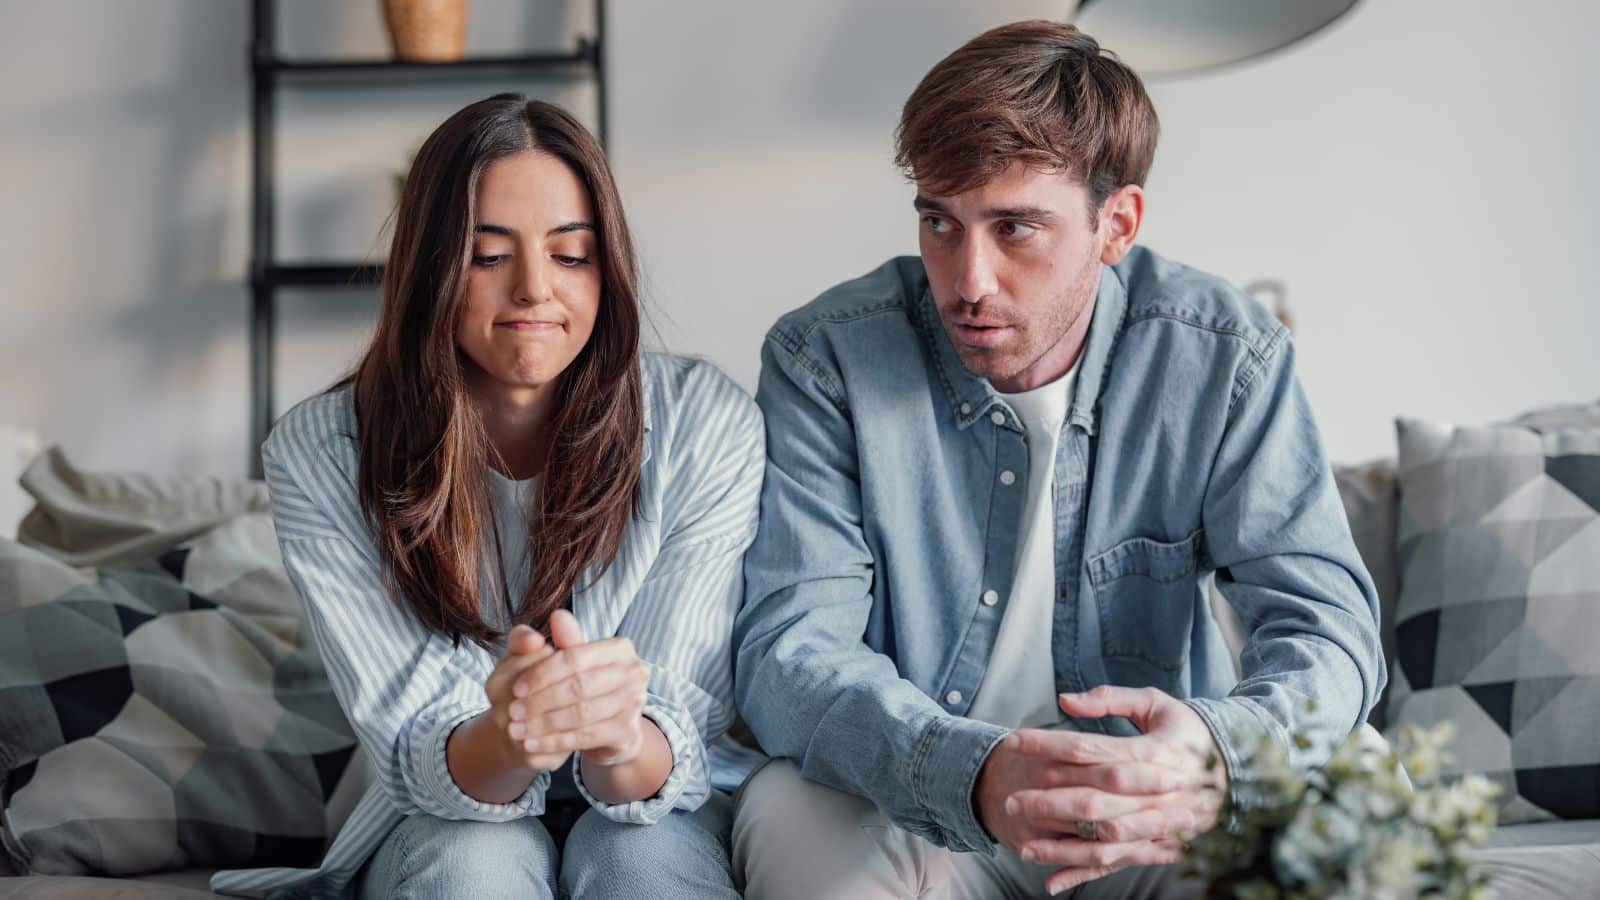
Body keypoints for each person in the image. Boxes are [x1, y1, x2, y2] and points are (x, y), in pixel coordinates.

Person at [732, 20, 1385, 900]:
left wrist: (1214, 751)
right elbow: (789, 653)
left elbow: (1327, 628)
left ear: (1115, 225)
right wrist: (970, 772)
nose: (968, 280)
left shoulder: (1223, 356)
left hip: (1150, 811)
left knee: (1364, 780)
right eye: (940, 222)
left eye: (1016, 229)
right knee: (786, 807)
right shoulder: (829, 359)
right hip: (918, 804)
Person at [212, 95, 761, 899]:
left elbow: (678, 732)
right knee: (473, 865)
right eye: (487, 255)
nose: (536, 290)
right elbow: (413, 741)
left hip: (652, 804)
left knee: (641, 866)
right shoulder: (322, 452)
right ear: (431, 266)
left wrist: (611, 735)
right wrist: (512, 736)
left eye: (571, 255)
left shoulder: (703, 423)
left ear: (607, 267)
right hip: (447, 809)